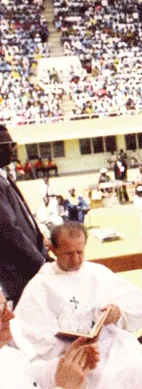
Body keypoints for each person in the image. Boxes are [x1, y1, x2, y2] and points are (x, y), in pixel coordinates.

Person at [12, 223, 142, 388]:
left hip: (109, 343)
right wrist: (70, 340)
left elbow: (132, 300)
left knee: (135, 365)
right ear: (54, 250)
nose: (76, 259)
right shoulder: (41, 285)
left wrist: (117, 312)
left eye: (80, 252)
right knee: (99, 375)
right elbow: (32, 334)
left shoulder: (96, 272)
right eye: (69, 254)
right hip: (69, 353)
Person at [0, 293, 100, 389]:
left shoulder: (8, 353)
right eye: (1, 310)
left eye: (7, 306)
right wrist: (66, 387)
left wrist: (68, 363)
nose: (11, 316)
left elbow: (33, 378)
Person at [0, 125, 50, 305]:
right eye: (8, 145)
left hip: (28, 267)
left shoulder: (4, 176)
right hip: (20, 273)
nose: (13, 149)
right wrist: (40, 263)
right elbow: (8, 231)